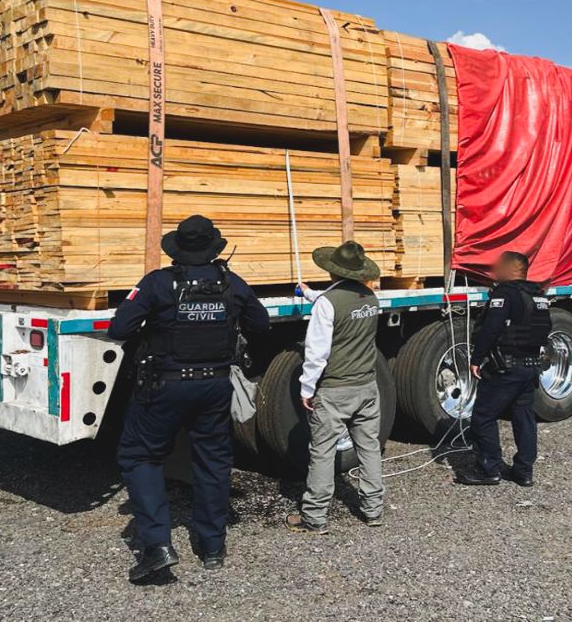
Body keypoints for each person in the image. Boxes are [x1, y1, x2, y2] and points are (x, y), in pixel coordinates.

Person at [109, 215, 270, 583]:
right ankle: (212, 547)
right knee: (213, 461)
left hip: (164, 386)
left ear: (177, 251)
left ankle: (157, 546)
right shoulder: (233, 283)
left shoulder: (158, 284)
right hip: (214, 385)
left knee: (139, 455)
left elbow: (120, 328)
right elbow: (260, 326)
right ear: (214, 248)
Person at [284, 241, 386, 534]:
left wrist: (306, 388)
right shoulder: (369, 297)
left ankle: (314, 517)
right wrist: (310, 294)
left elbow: (317, 352)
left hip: (335, 389)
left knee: (323, 451)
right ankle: (373, 509)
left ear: (331, 271)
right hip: (367, 386)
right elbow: (336, 304)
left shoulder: (329, 304)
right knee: (368, 447)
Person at [455, 251, 553, 488]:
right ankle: (524, 471)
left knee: (483, 416)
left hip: (505, 368)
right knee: (524, 417)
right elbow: (545, 329)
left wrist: (477, 358)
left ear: (509, 270)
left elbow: (491, 328)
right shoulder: (538, 295)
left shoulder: (505, 295)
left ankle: (489, 469)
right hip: (530, 367)